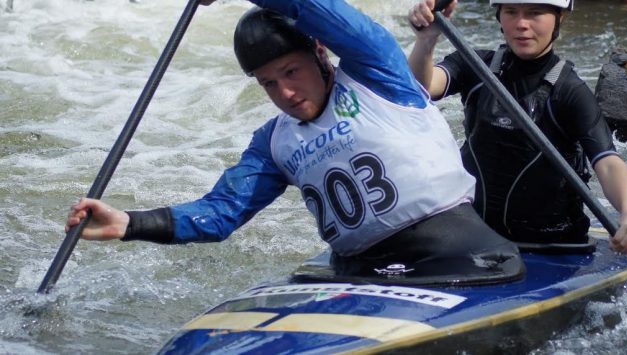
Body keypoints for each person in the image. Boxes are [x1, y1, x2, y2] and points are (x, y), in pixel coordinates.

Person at [66, 0, 525, 282]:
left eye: (291, 72)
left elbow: (313, 7)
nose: (284, 93)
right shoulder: (273, 143)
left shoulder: (377, 72)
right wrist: (129, 223)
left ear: (320, 54)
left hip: (460, 256)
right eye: (268, 83)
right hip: (359, 273)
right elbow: (221, 213)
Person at [407, 0, 627, 256]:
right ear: (499, 16)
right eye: (511, 12)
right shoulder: (475, 65)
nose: (521, 24)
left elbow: (607, 162)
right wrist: (426, 41)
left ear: (559, 18)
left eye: (534, 13)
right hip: (476, 238)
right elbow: (420, 89)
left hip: (553, 247)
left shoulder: (570, 92)